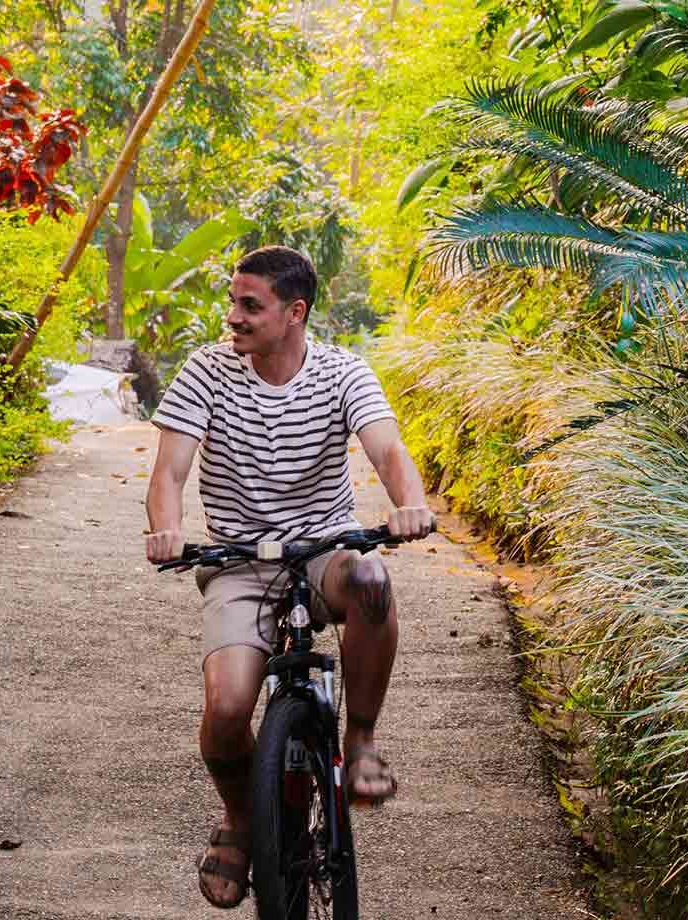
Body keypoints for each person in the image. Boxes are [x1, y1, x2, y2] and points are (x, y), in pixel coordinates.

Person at [142, 245, 437, 909]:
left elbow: (387, 448)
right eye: (233, 302)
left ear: (294, 312)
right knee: (224, 711)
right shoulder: (207, 372)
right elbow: (169, 472)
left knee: (370, 582)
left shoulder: (341, 372)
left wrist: (408, 504)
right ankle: (242, 820)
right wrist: (164, 526)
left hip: (321, 548)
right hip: (237, 561)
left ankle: (360, 744)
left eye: (251, 306)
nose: (234, 317)